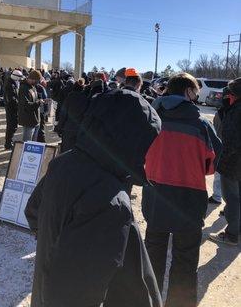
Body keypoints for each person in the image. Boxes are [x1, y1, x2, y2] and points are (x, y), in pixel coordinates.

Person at [25, 86, 162, 307]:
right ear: (132, 139)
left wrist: (55, 243)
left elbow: (33, 212)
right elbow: (72, 296)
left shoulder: (63, 162)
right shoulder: (109, 200)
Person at [142, 73, 222, 307]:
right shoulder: (201, 123)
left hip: (155, 194)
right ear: (188, 91)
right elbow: (212, 165)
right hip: (189, 198)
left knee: (152, 254)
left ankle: (148, 301)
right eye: (196, 90)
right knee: (185, 260)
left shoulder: (151, 117)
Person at [209, 77, 241, 246]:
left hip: (233, 164)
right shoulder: (232, 109)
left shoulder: (236, 111)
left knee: (232, 198)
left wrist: (220, 160)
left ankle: (231, 235)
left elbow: (229, 141)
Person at [208, 87, 231, 204]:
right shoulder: (221, 113)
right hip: (225, 148)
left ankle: (225, 202)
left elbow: (216, 132)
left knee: (223, 177)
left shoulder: (221, 112)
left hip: (224, 149)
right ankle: (219, 198)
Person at [55, 79, 89, 152]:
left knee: (65, 151)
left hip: (68, 128)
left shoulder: (70, 97)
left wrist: (59, 127)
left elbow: (63, 114)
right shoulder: (87, 98)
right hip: (80, 129)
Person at [18, 70, 43, 142]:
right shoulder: (23, 88)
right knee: (27, 142)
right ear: (33, 79)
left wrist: (41, 100)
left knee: (33, 142)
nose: (38, 83)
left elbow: (34, 99)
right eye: (37, 81)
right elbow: (26, 106)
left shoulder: (32, 86)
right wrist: (38, 102)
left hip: (35, 119)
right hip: (28, 121)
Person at [3, 69, 23, 150]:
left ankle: (9, 141)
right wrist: (19, 103)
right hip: (11, 108)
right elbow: (11, 99)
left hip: (13, 107)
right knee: (11, 126)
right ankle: (8, 143)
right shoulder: (9, 85)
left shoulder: (13, 82)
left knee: (13, 125)